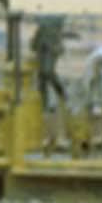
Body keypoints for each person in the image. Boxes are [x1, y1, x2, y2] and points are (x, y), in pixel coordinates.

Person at [31, 14, 71, 143]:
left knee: (47, 72)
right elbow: (33, 44)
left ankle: (61, 92)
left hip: (50, 48)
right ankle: (44, 104)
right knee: (42, 77)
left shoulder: (54, 29)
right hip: (43, 48)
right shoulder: (42, 29)